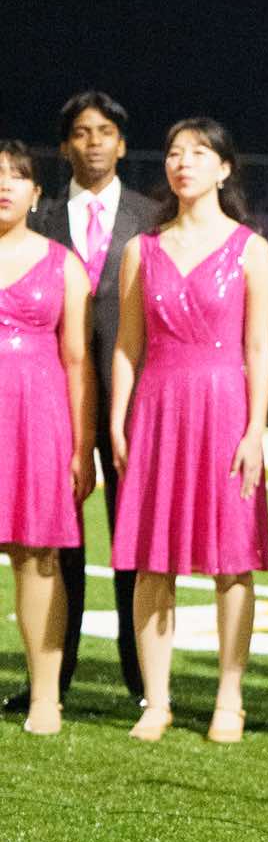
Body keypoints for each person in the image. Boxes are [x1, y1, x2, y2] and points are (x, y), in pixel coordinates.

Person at [109, 119, 268, 743]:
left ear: (224, 168)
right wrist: (120, 419)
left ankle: (229, 698)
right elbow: (127, 346)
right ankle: (156, 701)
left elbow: (259, 348)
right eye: (175, 153)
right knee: (152, 561)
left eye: (199, 153)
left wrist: (255, 429)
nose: (184, 163)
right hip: (157, 410)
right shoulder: (142, 250)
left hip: (225, 410)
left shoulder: (251, 250)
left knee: (232, 561)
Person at [14, 91, 158, 714]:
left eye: (104, 131)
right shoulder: (39, 218)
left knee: (134, 535)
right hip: (55, 397)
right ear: (64, 146)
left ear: (121, 144)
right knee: (55, 539)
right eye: (81, 132)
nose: (93, 141)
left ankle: (141, 676)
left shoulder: (155, 216)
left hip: (135, 397)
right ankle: (54, 674)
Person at [0, 142, 95, 732]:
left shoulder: (63, 264)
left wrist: (82, 447)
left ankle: (44, 696)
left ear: (37, 194)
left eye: (17, 176)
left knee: (37, 557)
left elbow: (78, 361)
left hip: (37, 419)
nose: (4, 185)